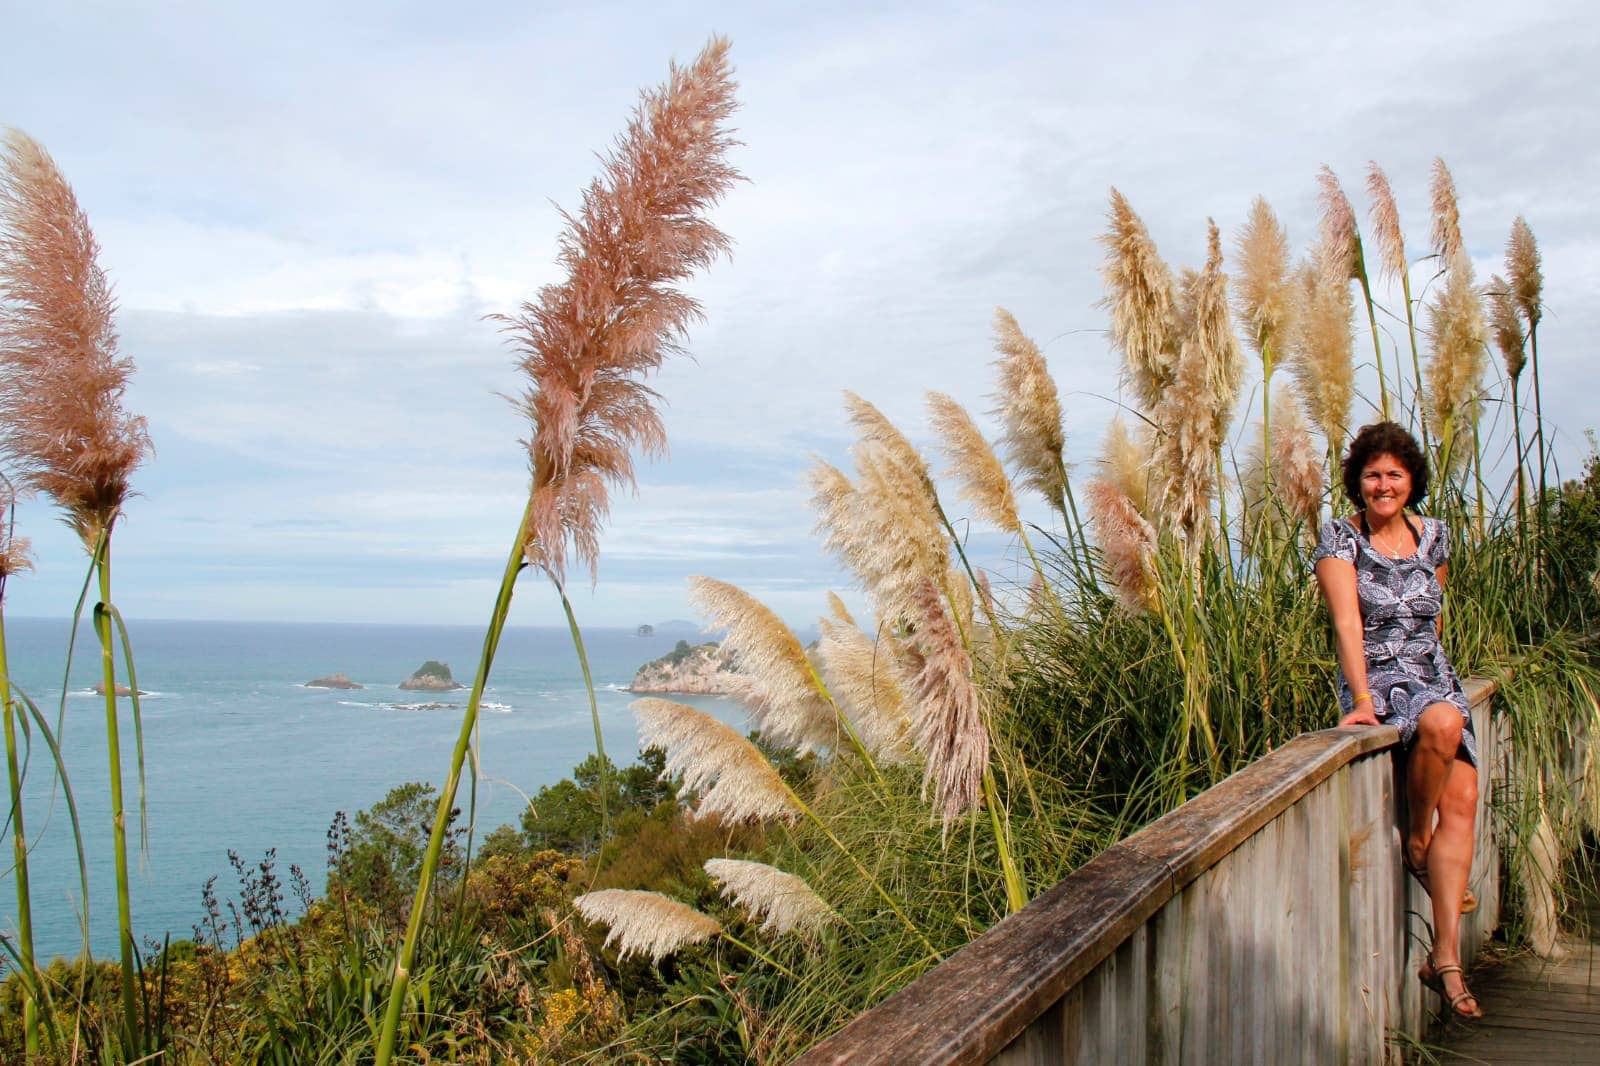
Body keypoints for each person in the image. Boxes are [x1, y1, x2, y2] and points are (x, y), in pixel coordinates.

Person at [1313, 421, 1484, 1020]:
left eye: (1394, 475)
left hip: (1433, 671)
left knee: (1462, 795)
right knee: (1442, 726)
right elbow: (1347, 625)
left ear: (1412, 481)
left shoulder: (1434, 536)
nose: (1383, 485)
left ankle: (1445, 960)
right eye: (1372, 476)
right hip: (1380, 676)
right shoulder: (1339, 538)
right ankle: (1416, 838)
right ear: (1357, 483)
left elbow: (1433, 614)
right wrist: (1360, 697)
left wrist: (1438, 670)